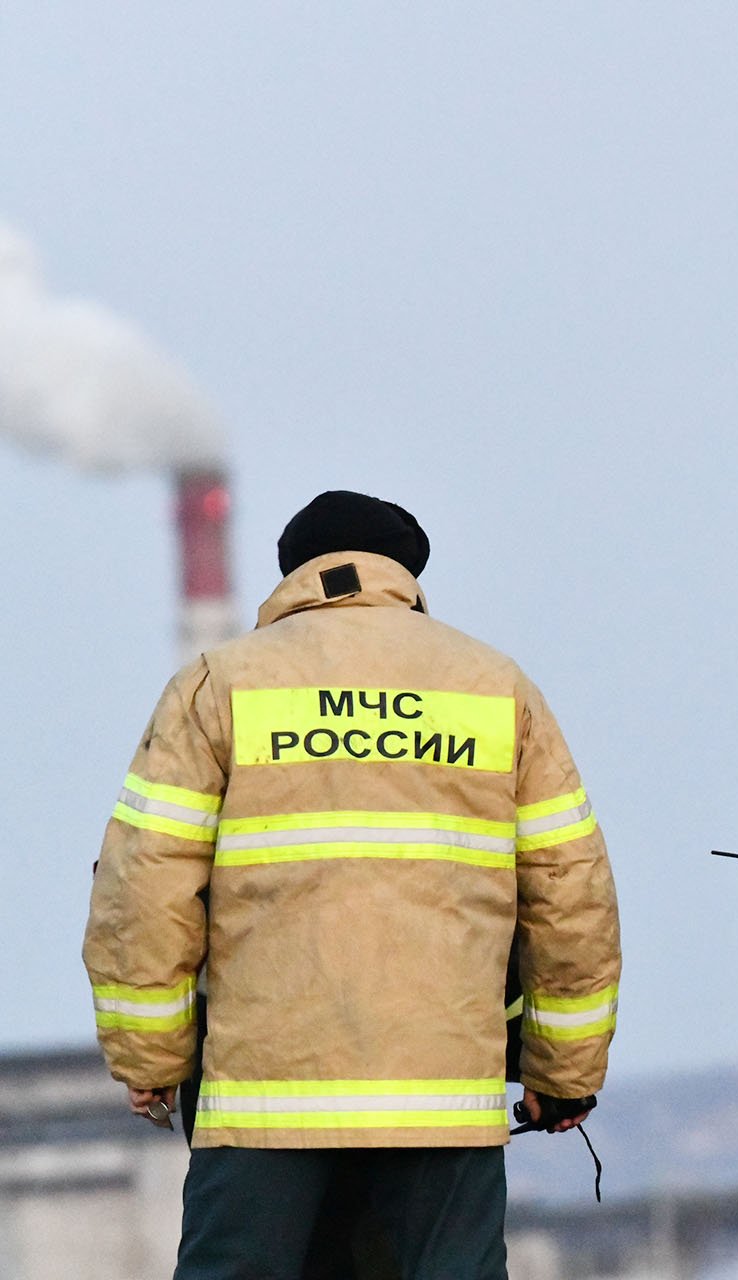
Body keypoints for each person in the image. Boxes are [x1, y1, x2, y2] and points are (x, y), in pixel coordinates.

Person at [83, 490, 620, 1279]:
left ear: (292, 574)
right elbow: (571, 894)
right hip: (443, 1106)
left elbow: (144, 885)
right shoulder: (495, 687)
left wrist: (151, 1057)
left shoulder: (218, 684)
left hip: (265, 1106)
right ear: (406, 576)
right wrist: (561, 1075)